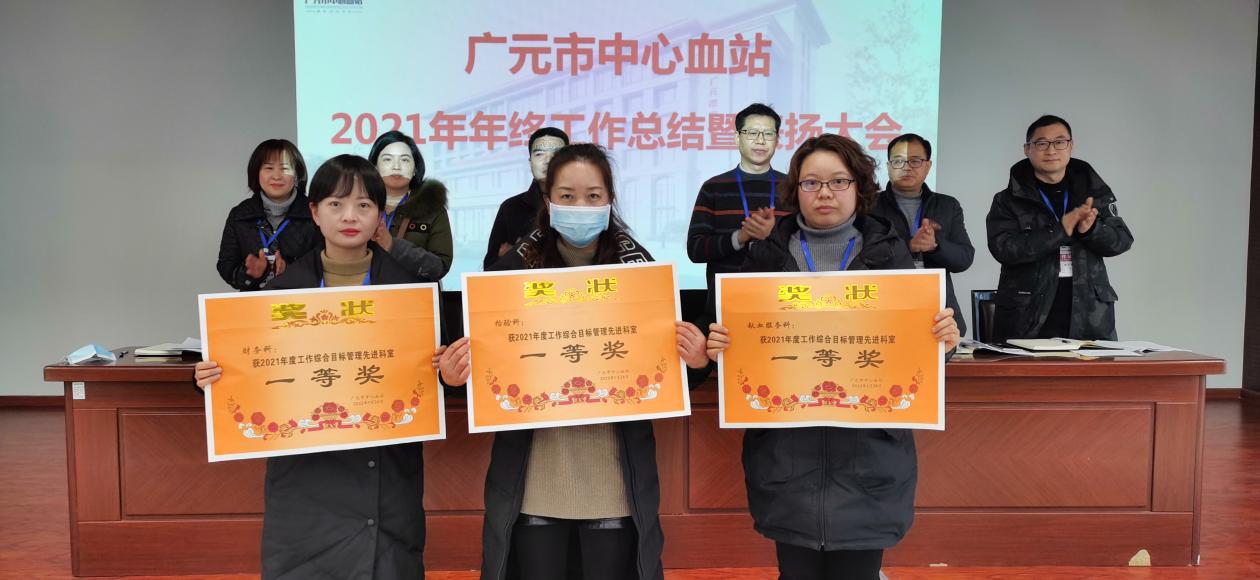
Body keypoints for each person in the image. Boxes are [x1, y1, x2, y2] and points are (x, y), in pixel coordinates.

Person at [436, 144, 710, 580]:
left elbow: (669, 379)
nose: (580, 207)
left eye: (593, 196)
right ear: (548, 202)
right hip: (533, 482)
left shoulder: (642, 277)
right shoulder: (507, 279)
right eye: (567, 196)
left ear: (609, 201)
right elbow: (479, 374)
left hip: (614, 483)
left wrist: (694, 362)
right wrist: (453, 377)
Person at [705, 134, 961, 580]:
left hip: (869, 458)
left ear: (859, 188)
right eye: (811, 183)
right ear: (796, 190)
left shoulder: (892, 254)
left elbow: (931, 350)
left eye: (839, 181)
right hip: (787, 459)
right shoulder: (764, 257)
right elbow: (732, 345)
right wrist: (720, 347)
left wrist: (946, 340)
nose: (825, 193)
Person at [195, 154, 437, 579]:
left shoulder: (413, 294)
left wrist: (450, 374)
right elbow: (249, 375)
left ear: (379, 216)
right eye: (336, 204)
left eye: (364, 205)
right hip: (305, 479)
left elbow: (440, 378)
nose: (350, 216)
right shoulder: (279, 294)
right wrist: (209, 378)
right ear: (314, 212)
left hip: (383, 473)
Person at [985, 115, 1133, 343]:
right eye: (1041, 143)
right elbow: (1003, 248)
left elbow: (1122, 240)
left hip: (1089, 314)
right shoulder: (1008, 200)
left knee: (1091, 367)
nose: (1051, 150)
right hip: (1027, 314)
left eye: (1059, 142)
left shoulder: (1093, 192)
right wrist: (1060, 231)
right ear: (1027, 149)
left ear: (1071, 146)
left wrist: (1092, 229)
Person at [686, 103, 787, 382]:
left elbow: (802, 248)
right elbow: (695, 250)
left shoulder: (792, 188)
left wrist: (770, 237)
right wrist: (740, 238)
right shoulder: (714, 187)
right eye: (752, 132)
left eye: (768, 134)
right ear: (737, 138)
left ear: (777, 140)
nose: (760, 140)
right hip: (722, 313)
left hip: (778, 311)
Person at [872, 133, 973, 334]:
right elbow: (863, 257)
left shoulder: (947, 205)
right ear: (889, 166)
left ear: (928, 166)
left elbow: (964, 259)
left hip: (937, 309)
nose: (907, 167)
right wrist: (909, 247)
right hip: (885, 306)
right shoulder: (870, 205)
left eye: (915, 161)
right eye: (898, 161)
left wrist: (935, 247)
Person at [216, 139, 319, 290]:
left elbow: (324, 264)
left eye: (285, 168)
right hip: (254, 302)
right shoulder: (239, 215)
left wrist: (289, 270)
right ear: (256, 173)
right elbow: (226, 266)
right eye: (269, 168)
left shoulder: (314, 213)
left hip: (301, 301)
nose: (276, 176)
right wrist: (250, 274)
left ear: (297, 174)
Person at [368, 131, 453, 279]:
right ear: (375, 167)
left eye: (405, 160)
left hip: (414, 291)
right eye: (387, 159)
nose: (396, 167)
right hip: (365, 291)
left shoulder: (433, 209)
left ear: (415, 169)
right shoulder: (358, 206)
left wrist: (393, 246)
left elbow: (440, 266)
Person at [482, 127, 570, 269]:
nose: (548, 161)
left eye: (556, 154)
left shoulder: (584, 203)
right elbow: (491, 266)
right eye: (539, 154)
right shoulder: (510, 208)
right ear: (530, 162)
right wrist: (513, 257)